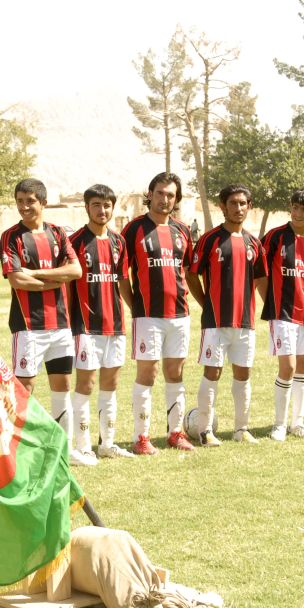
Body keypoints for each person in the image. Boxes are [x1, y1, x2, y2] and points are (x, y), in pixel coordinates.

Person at [0, 178, 85, 464]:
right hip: (28, 327)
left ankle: (65, 449)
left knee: (62, 387)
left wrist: (35, 274)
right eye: (20, 200)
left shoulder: (59, 233)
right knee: (24, 390)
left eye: (30, 201)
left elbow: (75, 271)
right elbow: (15, 279)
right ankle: (20, 451)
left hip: (61, 326)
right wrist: (52, 278)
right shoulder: (11, 236)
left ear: (43, 203)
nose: (24, 206)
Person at [119, 172, 197, 453]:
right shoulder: (133, 230)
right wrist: (135, 307)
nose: (165, 199)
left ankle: (175, 433)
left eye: (171, 195)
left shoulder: (183, 230)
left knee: (175, 373)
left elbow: (186, 270)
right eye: (160, 193)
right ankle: (142, 437)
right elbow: (122, 276)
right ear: (149, 194)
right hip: (147, 315)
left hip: (179, 315)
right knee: (148, 375)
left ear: (176, 200)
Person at [186, 184, 264, 446]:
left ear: (249, 206)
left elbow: (261, 278)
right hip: (216, 322)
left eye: (243, 203)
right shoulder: (210, 239)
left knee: (243, 374)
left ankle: (242, 429)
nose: (238, 208)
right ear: (223, 207)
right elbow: (191, 274)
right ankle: (205, 431)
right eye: (233, 203)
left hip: (245, 322)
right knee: (213, 373)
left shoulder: (254, 243)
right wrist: (205, 302)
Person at [68, 184, 134, 461]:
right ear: (87, 208)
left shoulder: (119, 242)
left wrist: (134, 312)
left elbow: (122, 281)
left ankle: (107, 444)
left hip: (115, 325)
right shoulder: (74, 242)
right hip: (86, 326)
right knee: (86, 384)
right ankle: (83, 446)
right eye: (96, 205)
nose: (102, 210)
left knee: (111, 383)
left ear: (112, 208)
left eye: (106, 205)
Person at [257, 188, 304, 441]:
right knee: (288, 366)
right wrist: (271, 304)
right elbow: (260, 274)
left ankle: (298, 423)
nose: (298, 213)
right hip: (282, 312)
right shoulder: (274, 237)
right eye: (295, 207)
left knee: (303, 367)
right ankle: (279, 424)